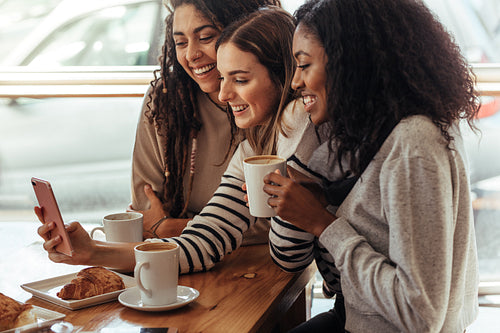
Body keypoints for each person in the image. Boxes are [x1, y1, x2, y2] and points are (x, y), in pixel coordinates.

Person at [36, 6, 324, 274]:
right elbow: (200, 244)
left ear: (284, 76)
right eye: (224, 78)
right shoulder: (253, 148)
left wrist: (288, 203)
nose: (223, 95)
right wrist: (92, 252)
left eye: (240, 80)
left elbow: (290, 257)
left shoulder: (300, 124)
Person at [263, 0, 480, 332]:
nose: (295, 81)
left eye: (304, 65)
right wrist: (323, 204)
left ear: (351, 64)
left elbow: (420, 315)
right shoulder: (384, 133)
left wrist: (323, 224)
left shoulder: (415, 143)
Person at [130, 0, 281, 244]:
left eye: (206, 37)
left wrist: (172, 228)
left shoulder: (271, 103)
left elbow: (278, 222)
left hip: (261, 266)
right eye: (180, 42)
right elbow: (145, 214)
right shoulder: (167, 98)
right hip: (182, 260)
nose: (191, 54)